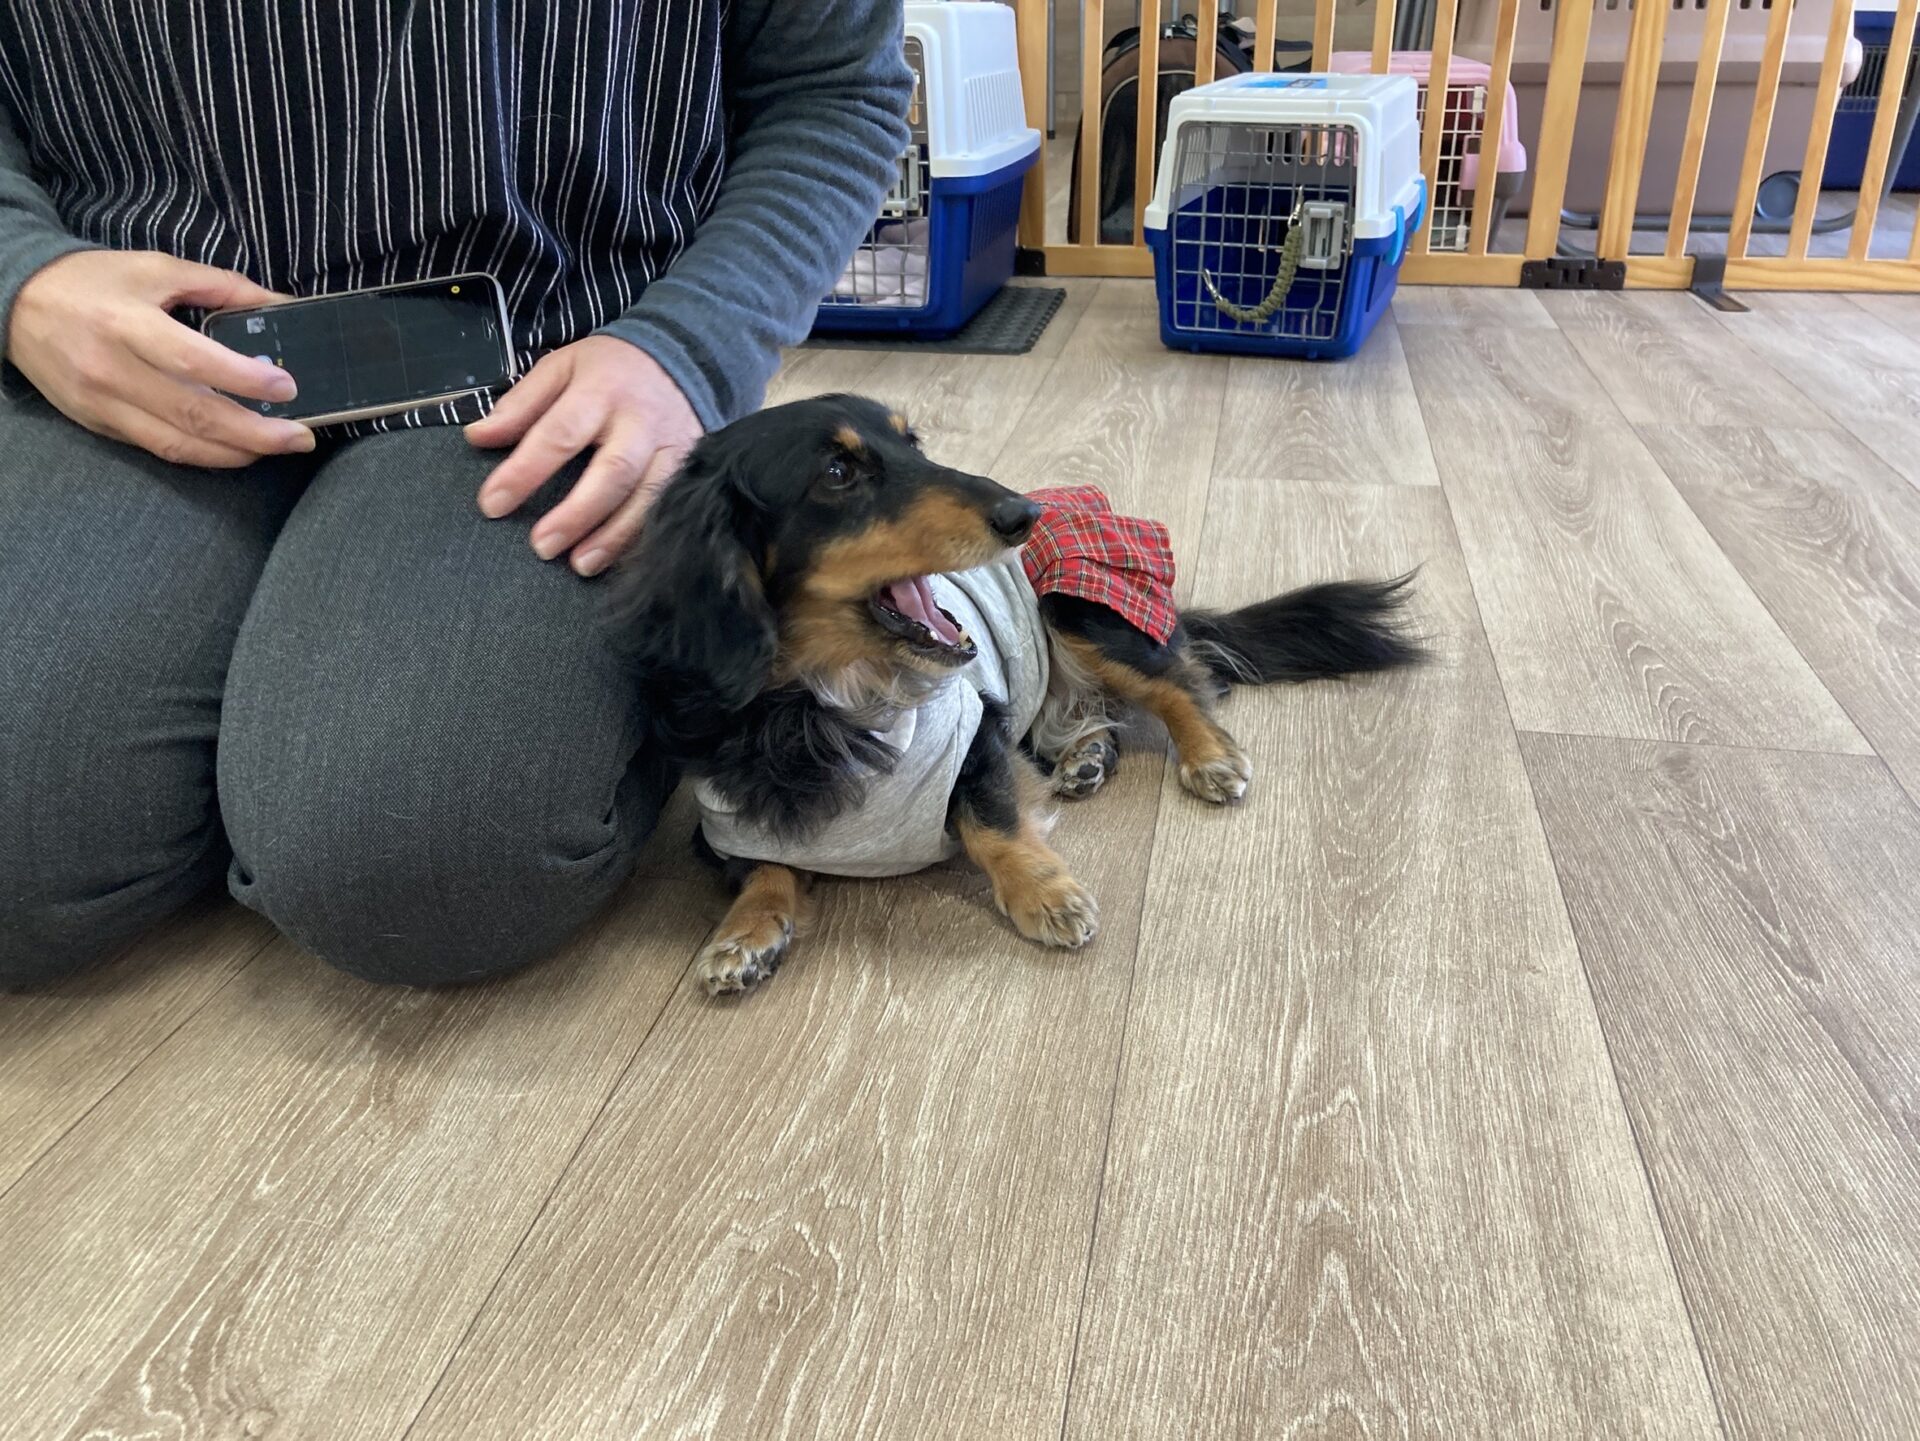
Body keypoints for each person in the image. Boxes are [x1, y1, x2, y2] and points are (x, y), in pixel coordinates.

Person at [0, 2, 913, 990]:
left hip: (551, 366)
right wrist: (21, 273)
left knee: (419, 868)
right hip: (130, 353)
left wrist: (692, 340)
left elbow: (833, 89)